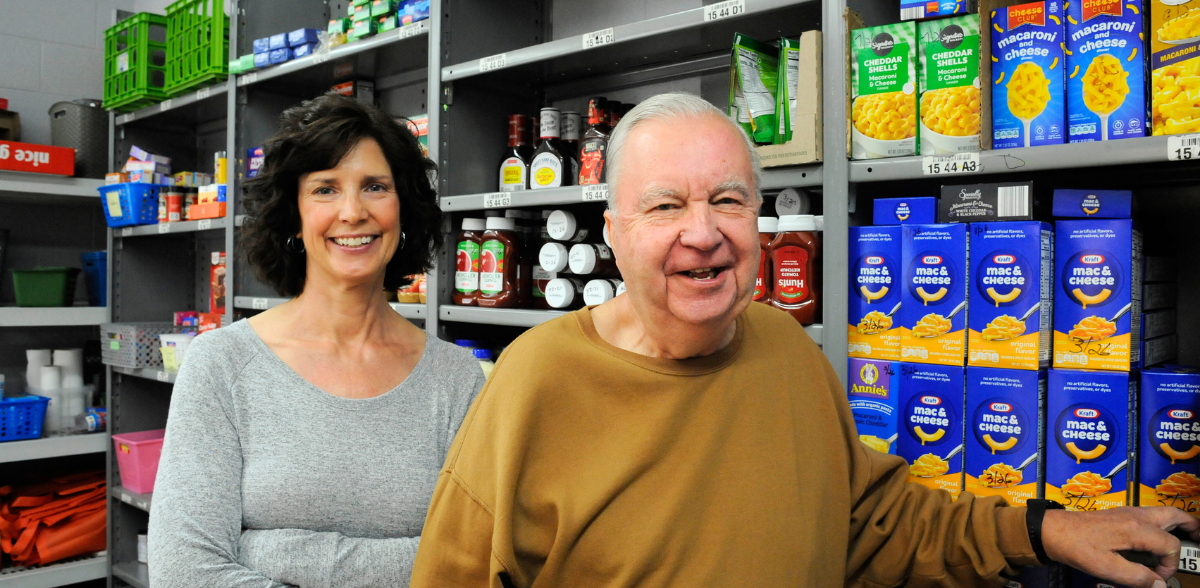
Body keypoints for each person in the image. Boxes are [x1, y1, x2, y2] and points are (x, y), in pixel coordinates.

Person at [410, 93, 1199, 588]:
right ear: (612, 231)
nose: (702, 232)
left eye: (728, 199)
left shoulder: (785, 349)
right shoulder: (533, 384)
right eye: (663, 207)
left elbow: (873, 524)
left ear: (758, 223)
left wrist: (1046, 527)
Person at [149, 93, 486, 587]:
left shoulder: (454, 379)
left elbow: (471, 563)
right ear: (294, 215)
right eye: (325, 189)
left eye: (375, 186)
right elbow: (183, 573)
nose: (352, 212)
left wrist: (269, 550)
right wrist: (410, 562)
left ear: (404, 209)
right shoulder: (221, 365)